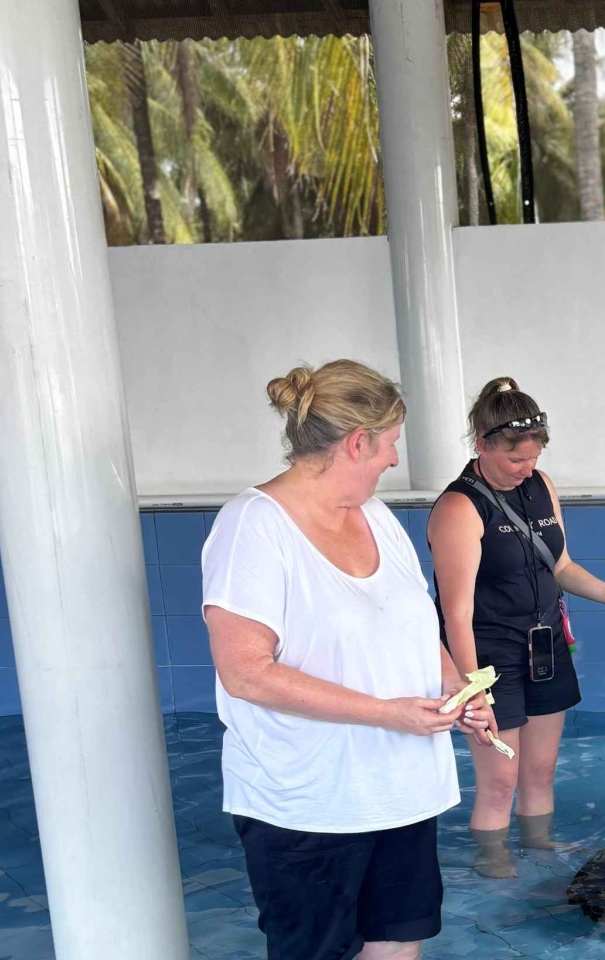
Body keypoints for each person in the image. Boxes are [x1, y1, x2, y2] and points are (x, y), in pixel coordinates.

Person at [202, 360, 496, 960]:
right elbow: (245, 672)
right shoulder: (253, 526)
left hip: (400, 790)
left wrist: (458, 690)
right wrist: (386, 713)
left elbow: (415, 627)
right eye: (390, 443)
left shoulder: (378, 518)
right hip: (308, 802)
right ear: (358, 442)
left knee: (398, 946)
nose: (394, 458)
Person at [428, 376, 605, 879]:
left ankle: (540, 847)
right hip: (489, 656)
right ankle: (494, 862)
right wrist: (472, 689)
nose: (525, 469)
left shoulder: (541, 485)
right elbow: (454, 613)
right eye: (514, 459)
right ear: (482, 444)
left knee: (540, 770)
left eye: (533, 457)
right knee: (499, 780)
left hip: (545, 645)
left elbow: (561, 565)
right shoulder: (459, 508)